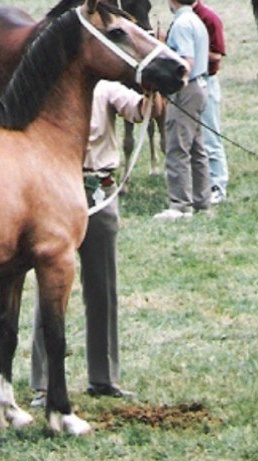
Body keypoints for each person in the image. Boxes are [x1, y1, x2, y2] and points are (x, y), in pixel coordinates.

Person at [30, 81, 163, 407]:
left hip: (99, 190)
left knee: (102, 287)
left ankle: (103, 379)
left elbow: (143, 111)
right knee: (51, 288)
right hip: (59, 191)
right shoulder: (50, 87)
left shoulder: (106, 89)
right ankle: (43, 384)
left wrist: (153, 89)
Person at [154, 0, 211, 220]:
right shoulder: (195, 20)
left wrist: (174, 86)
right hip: (200, 87)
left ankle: (179, 205)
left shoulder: (181, 24)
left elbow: (186, 61)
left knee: (177, 146)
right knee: (197, 147)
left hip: (186, 90)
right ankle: (201, 201)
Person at [193, 0, 228, 204]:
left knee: (210, 134)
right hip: (193, 81)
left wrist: (189, 50)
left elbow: (216, 56)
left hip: (206, 79)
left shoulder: (209, 18)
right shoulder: (185, 15)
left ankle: (218, 184)